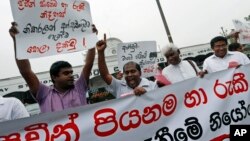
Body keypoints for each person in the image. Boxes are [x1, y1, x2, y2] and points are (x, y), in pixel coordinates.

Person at [9, 22, 97, 113]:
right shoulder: (44, 93)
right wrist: (17, 40)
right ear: (54, 77)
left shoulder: (79, 87)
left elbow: (88, 64)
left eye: (71, 72)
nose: (71, 75)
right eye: (66, 73)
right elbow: (26, 71)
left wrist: (92, 39)